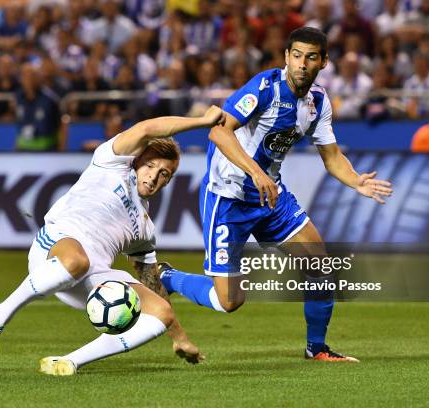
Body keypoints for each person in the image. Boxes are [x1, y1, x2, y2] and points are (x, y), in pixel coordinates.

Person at [159, 27, 393, 362]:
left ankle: (317, 348)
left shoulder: (319, 102)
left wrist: (355, 181)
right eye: (296, 55)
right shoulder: (265, 88)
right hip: (228, 198)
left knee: (320, 264)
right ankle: (168, 277)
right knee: (230, 302)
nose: (301, 64)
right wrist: (255, 173)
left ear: (323, 62)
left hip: (270, 197)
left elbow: (331, 155)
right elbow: (218, 132)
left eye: (310, 57)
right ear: (286, 56)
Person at [0, 106, 226, 375]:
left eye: (165, 174)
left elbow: (150, 278)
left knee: (161, 312)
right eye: (151, 166)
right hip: (54, 248)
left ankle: (69, 361)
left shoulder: (145, 228)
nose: (154, 176)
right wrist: (201, 121)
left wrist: (179, 337)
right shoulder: (112, 161)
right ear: (138, 161)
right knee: (77, 260)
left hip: (90, 280)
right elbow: (147, 129)